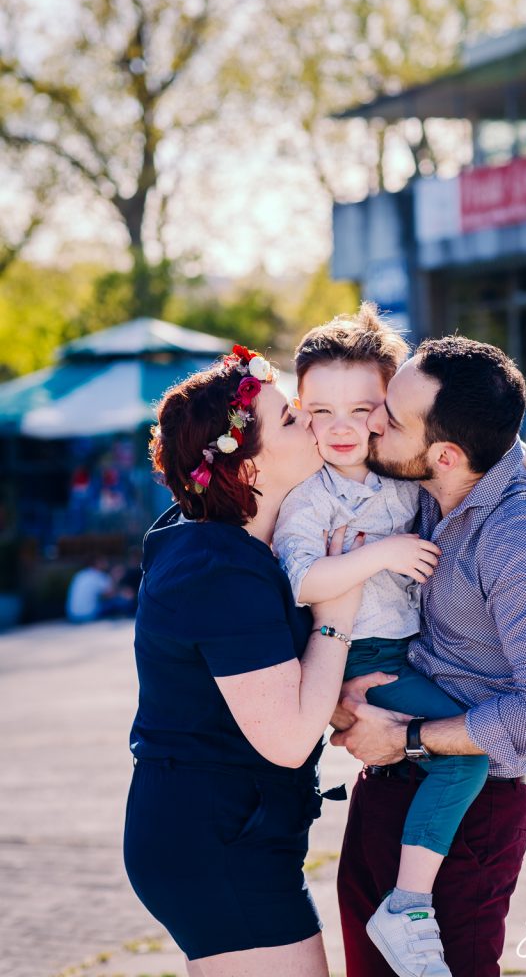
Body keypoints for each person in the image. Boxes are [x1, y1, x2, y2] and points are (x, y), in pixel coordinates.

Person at [272, 308, 526, 977]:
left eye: (386, 416)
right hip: (382, 779)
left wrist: (409, 739)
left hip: (469, 804)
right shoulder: (417, 486)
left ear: (442, 453)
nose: (367, 425)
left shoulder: (519, 539)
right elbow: (471, 430)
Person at [123, 344, 369, 977]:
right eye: (291, 419)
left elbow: (420, 429)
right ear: (250, 468)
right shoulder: (216, 568)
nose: (316, 423)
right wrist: (340, 607)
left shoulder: (222, 535)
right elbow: (288, 739)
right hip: (217, 841)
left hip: (232, 829)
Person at [65, 557, 114, 623]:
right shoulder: (99, 575)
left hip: (73, 616)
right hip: (89, 615)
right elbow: (110, 594)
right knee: (118, 601)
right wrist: (114, 577)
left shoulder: (80, 574)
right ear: (98, 564)